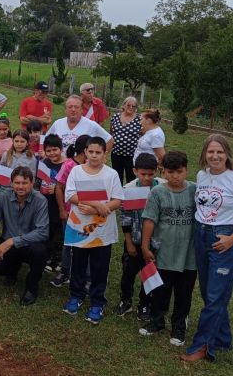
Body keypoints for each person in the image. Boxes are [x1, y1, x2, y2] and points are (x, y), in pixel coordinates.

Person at [181, 135, 233, 362]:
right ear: (204, 153)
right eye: (211, 152)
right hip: (201, 235)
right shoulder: (202, 175)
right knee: (209, 293)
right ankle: (223, 339)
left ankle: (204, 345)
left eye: (220, 152)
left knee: (215, 296)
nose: (215, 156)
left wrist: (232, 239)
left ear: (227, 155)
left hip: (223, 239)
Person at [62, 136, 123, 325]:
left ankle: (97, 302)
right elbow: (70, 195)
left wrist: (96, 208)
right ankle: (76, 295)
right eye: (91, 152)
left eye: (98, 152)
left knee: (99, 267)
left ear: (105, 153)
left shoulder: (111, 174)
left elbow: (117, 200)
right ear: (85, 152)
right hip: (78, 229)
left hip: (101, 233)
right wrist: (95, 204)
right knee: (78, 264)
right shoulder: (76, 171)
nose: (94, 155)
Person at [139, 151, 197, 347]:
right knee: (160, 291)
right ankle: (156, 322)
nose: (175, 176)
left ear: (186, 170)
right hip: (163, 253)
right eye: (170, 172)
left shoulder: (194, 191)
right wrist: (145, 246)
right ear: (163, 172)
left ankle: (179, 327)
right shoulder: (157, 193)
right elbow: (149, 220)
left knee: (184, 293)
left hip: (189, 255)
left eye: (179, 172)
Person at [0, 166, 49, 306]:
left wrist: (13, 241)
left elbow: (42, 231)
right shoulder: (3, 196)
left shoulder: (40, 200)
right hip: (7, 242)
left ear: (32, 183)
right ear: (11, 183)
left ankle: (31, 287)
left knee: (40, 253)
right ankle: (12, 271)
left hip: (29, 244)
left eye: (24, 183)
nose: (20, 186)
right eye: (17, 183)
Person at [115, 153, 161, 322]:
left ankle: (145, 303)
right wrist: (129, 242)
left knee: (149, 274)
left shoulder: (161, 188)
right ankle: (125, 300)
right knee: (128, 273)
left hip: (154, 244)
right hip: (133, 241)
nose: (147, 178)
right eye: (143, 174)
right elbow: (125, 217)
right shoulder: (129, 189)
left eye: (150, 174)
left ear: (156, 171)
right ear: (135, 171)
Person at [50, 135, 89, 288]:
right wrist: (61, 210)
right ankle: (65, 271)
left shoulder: (92, 166)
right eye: (90, 150)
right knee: (68, 244)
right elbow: (59, 188)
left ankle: (86, 276)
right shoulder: (69, 165)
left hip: (86, 213)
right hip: (69, 212)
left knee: (86, 243)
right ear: (84, 150)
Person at [45, 95, 113, 154]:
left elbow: (109, 140)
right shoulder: (57, 124)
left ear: (82, 110)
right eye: (70, 107)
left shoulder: (91, 125)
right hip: (60, 166)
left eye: (76, 107)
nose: (73, 109)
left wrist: (101, 157)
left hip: (81, 167)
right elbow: (46, 140)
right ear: (65, 110)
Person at [40, 134, 65, 274]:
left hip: (61, 204)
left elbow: (71, 185)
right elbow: (40, 180)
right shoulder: (44, 162)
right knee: (48, 230)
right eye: (48, 150)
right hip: (46, 203)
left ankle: (59, 258)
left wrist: (57, 188)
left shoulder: (67, 165)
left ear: (61, 149)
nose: (52, 153)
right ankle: (48, 257)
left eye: (55, 149)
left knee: (60, 232)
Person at [110, 96, 142, 184]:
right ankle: (117, 195)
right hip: (116, 154)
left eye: (133, 106)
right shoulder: (116, 116)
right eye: (128, 105)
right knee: (116, 176)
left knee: (131, 178)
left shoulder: (139, 119)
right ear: (123, 105)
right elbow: (111, 132)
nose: (131, 108)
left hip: (131, 155)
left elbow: (143, 135)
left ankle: (131, 196)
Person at [0, 129, 36, 193]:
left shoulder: (31, 157)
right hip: (7, 188)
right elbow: (0, 171)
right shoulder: (6, 154)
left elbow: (32, 176)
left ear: (27, 143)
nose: (19, 144)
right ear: (13, 141)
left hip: (22, 189)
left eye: (22, 141)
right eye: (16, 141)